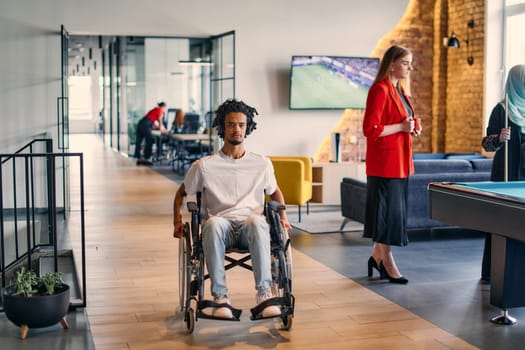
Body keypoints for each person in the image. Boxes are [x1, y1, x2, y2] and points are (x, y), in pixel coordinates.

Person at [172, 98, 292, 319]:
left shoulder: (262, 163)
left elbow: (275, 192)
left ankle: (265, 294)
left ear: (248, 127)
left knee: (257, 221)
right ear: (221, 127)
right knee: (214, 222)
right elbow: (181, 194)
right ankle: (220, 298)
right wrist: (177, 223)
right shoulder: (204, 166)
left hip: (251, 230)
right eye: (231, 124)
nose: (236, 129)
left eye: (241, 125)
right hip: (220, 230)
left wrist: (283, 217)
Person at [362, 45, 422, 284]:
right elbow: (370, 129)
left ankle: (377, 256)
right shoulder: (380, 90)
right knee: (387, 216)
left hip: (400, 163)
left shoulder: (400, 91)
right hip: (385, 165)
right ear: (392, 63)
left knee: (393, 215)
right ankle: (387, 261)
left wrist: (412, 127)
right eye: (406, 62)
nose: (410, 67)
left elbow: (401, 123)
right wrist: (401, 127)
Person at [480, 64, 525, 283]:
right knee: (499, 223)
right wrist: (498, 138)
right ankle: (493, 271)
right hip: (505, 175)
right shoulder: (502, 109)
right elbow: (486, 145)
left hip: (523, 176)